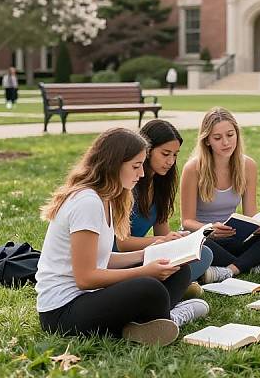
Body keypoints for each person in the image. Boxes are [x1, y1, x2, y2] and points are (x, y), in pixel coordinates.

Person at [36, 128, 209, 346]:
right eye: (136, 166)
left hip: (90, 296)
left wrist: (149, 253)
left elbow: (102, 258)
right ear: (114, 164)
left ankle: (145, 323)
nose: (142, 173)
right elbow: (85, 278)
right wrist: (144, 271)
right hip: (62, 312)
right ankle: (170, 317)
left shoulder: (108, 198)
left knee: (179, 268)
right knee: (150, 287)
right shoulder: (87, 202)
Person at [180, 107, 260, 283]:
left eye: (230, 135)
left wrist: (257, 226)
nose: (226, 142)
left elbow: (250, 215)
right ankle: (253, 264)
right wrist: (210, 229)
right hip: (205, 238)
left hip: (234, 237)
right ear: (207, 140)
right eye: (217, 138)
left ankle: (229, 269)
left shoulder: (248, 166)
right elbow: (187, 222)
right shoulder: (193, 168)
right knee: (197, 243)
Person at [115, 119, 213, 297]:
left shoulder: (161, 184)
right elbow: (123, 244)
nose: (170, 161)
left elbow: (162, 230)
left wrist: (177, 241)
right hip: (118, 259)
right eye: (165, 154)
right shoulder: (129, 184)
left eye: (175, 155)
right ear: (146, 150)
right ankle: (173, 286)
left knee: (204, 253)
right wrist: (163, 241)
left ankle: (173, 284)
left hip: (143, 255)